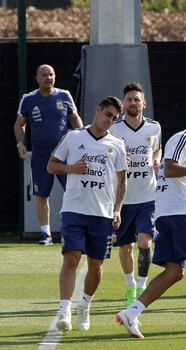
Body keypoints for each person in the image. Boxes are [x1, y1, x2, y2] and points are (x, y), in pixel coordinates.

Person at [115, 105, 186, 338]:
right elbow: (170, 168)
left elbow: (174, 175)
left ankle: (132, 312)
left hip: (171, 212)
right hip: (181, 212)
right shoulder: (183, 137)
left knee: (175, 271)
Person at [47, 96, 128, 332]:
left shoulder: (117, 145)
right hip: (74, 209)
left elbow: (122, 183)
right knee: (71, 258)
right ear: (98, 110)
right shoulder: (74, 137)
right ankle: (64, 310)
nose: (109, 121)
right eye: (107, 115)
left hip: (102, 213)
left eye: (114, 118)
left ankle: (85, 305)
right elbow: (51, 165)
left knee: (96, 266)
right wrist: (71, 168)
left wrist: (117, 209)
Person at [14, 64, 83, 245]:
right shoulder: (28, 99)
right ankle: (46, 234)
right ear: (37, 78)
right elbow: (19, 124)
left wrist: (84, 142)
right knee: (42, 194)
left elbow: (75, 119)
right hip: (41, 155)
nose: (49, 78)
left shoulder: (64, 95)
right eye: (44, 75)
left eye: (51, 74)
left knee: (73, 192)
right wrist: (20, 143)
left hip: (65, 154)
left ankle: (70, 231)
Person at [111, 82, 162, 306]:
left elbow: (156, 148)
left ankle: (142, 286)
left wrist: (156, 159)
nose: (133, 103)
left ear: (144, 103)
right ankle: (130, 284)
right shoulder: (115, 129)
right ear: (124, 104)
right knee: (125, 246)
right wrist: (119, 160)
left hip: (147, 196)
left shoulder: (154, 127)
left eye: (137, 99)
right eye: (129, 99)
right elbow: (106, 156)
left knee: (144, 241)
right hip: (123, 198)